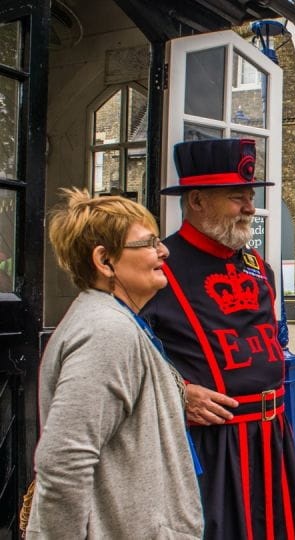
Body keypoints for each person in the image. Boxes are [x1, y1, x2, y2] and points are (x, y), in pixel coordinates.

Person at [140, 138, 295, 539]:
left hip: (272, 438)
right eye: (237, 198)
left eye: (249, 197)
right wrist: (179, 393)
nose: (249, 208)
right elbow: (126, 359)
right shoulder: (158, 268)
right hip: (210, 445)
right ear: (197, 200)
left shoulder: (256, 266)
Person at [27, 189, 202, 538]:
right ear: (105, 261)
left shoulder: (115, 322)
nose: (163, 250)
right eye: (148, 243)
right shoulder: (106, 332)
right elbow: (63, 462)